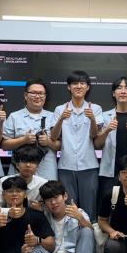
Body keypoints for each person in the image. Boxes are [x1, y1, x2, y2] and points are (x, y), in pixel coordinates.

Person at [50, 70, 103, 219]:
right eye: (74, 83)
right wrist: (61, 119)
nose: (78, 86)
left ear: (87, 87)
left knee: (89, 208)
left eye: (82, 83)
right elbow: (53, 137)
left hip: (89, 166)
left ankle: (89, 233)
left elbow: (94, 136)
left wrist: (92, 119)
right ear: (69, 87)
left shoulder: (95, 108)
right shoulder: (60, 109)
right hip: (65, 166)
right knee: (69, 208)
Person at [95, 76, 127, 205]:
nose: (123, 91)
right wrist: (107, 130)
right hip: (109, 171)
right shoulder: (104, 116)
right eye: (119, 88)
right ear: (114, 93)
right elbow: (97, 144)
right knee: (109, 207)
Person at [1, 78, 60, 181]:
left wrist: (48, 142)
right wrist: (23, 140)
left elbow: (60, 146)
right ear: (25, 95)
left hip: (47, 171)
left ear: (45, 97)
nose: (37, 96)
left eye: (41, 93)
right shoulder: (14, 117)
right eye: (33, 93)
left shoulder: (53, 117)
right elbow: (4, 145)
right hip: (19, 172)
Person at [0, 145, 48, 219]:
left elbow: (54, 209)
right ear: (17, 165)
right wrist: (8, 212)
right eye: (24, 161)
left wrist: (42, 209)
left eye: (32, 162)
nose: (28, 165)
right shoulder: (3, 181)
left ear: (37, 167)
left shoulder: (43, 184)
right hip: (7, 221)